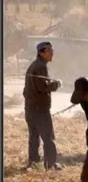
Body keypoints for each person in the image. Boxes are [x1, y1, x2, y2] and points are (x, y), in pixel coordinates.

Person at [23, 42, 63, 171]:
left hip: (30, 109)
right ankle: (50, 164)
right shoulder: (40, 67)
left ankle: (33, 162)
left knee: (33, 137)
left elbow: (25, 91)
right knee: (48, 137)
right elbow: (43, 87)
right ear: (41, 52)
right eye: (50, 51)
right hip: (40, 110)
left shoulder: (33, 66)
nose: (52, 53)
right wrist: (57, 84)